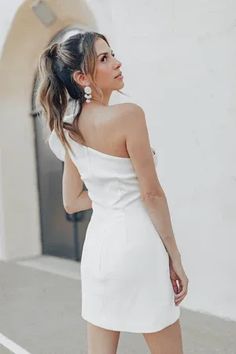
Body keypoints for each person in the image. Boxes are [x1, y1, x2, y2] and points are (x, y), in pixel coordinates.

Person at [36, 31, 188, 354]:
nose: (117, 63)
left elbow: (71, 201)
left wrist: (109, 195)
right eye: (104, 59)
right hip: (139, 249)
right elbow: (152, 196)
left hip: (99, 255)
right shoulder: (129, 116)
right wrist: (175, 257)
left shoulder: (69, 129)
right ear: (82, 77)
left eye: (112, 54)